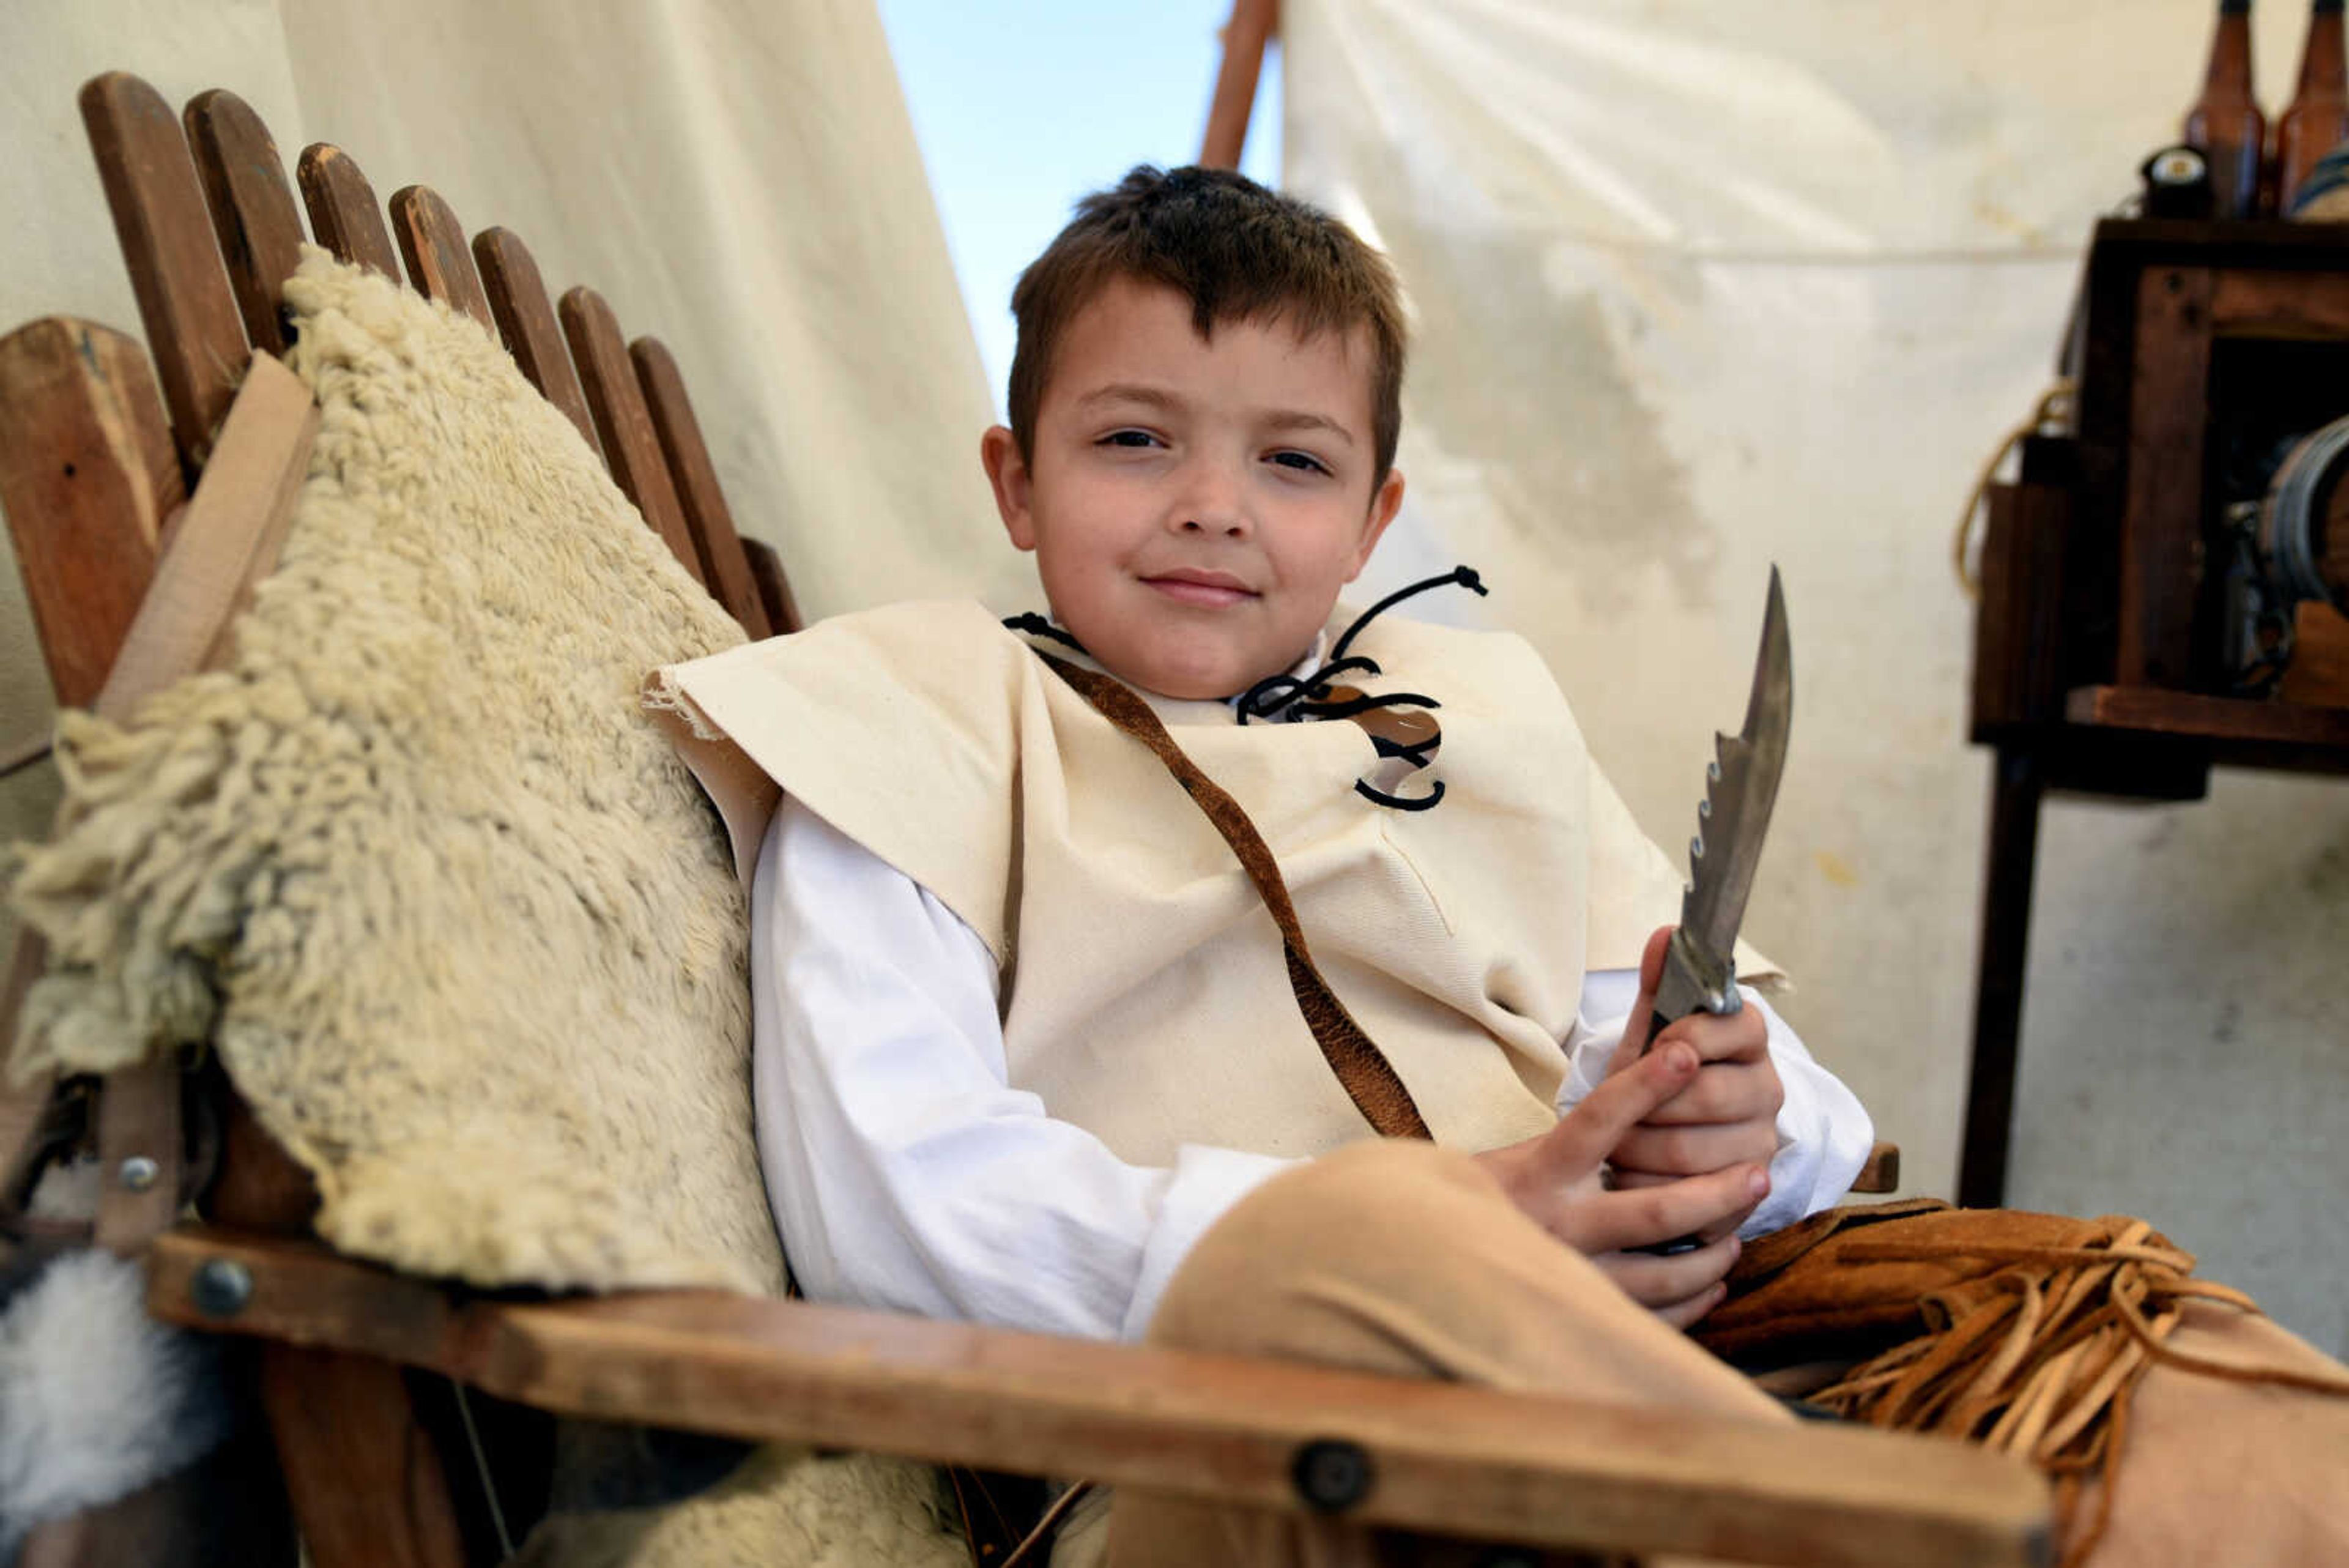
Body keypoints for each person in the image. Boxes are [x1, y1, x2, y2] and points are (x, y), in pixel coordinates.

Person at [653, 166, 2346, 1567]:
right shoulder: (909, 722)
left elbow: (1802, 1136)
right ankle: (1835, 1531)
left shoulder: (1469, 732)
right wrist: (1450, 1220)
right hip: (1229, 1439)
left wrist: (1731, 1116)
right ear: (1016, 482)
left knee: (2145, 1332)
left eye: (1291, 460)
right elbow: (891, 1201)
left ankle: (1804, 1500)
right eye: (1135, 440)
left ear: (1376, 518)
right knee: (1367, 1230)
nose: (1214, 508)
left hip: (1675, 1364)